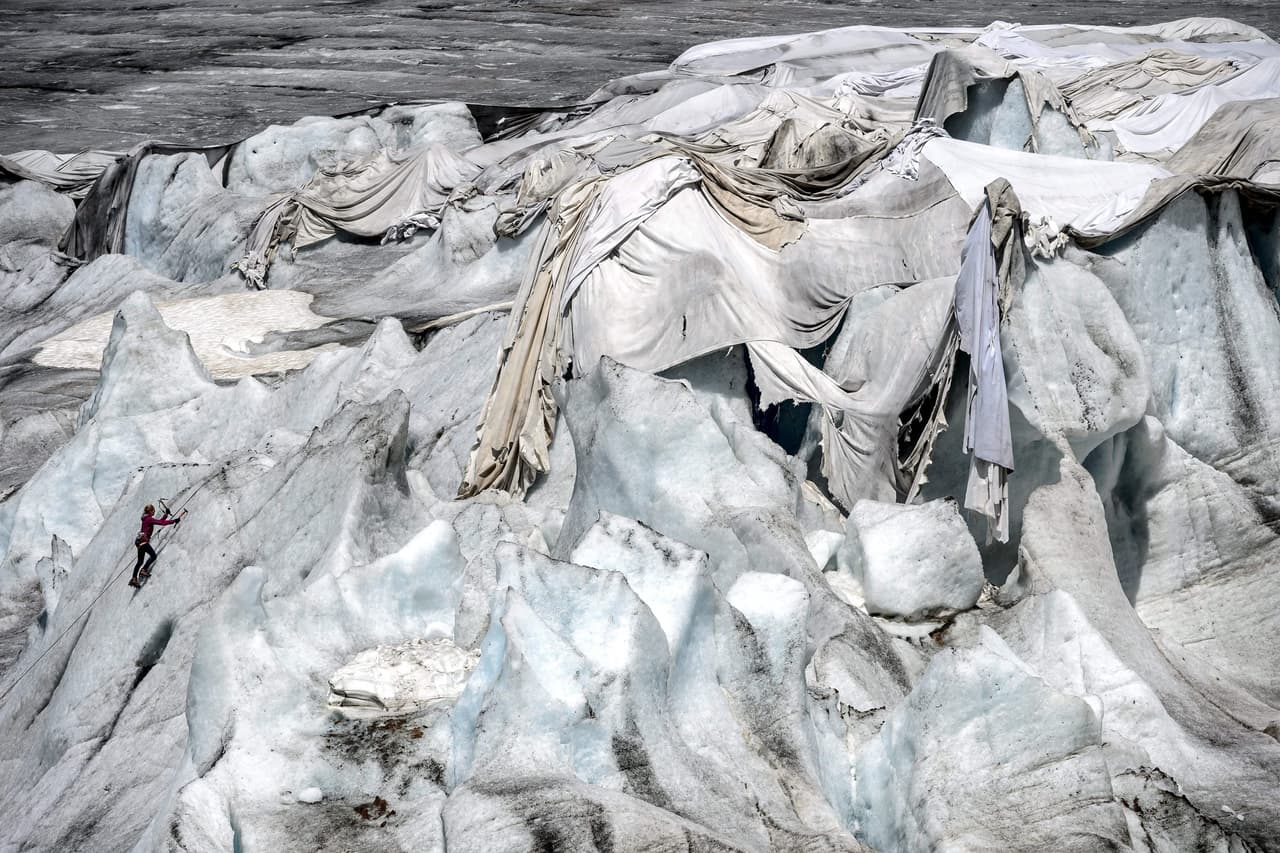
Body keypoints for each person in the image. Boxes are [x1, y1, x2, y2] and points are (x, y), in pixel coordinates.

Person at [129, 503, 180, 587]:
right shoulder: (149, 519)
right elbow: (161, 523)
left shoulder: (146, 519)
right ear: (151, 511)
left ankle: (134, 578)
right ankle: (143, 570)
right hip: (144, 541)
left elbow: (159, 521)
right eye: (154, 511)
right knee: (153, 556)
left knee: (140, 561)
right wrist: (174, 521)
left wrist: (166, 514)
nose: (154, 512)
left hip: (139, 541)